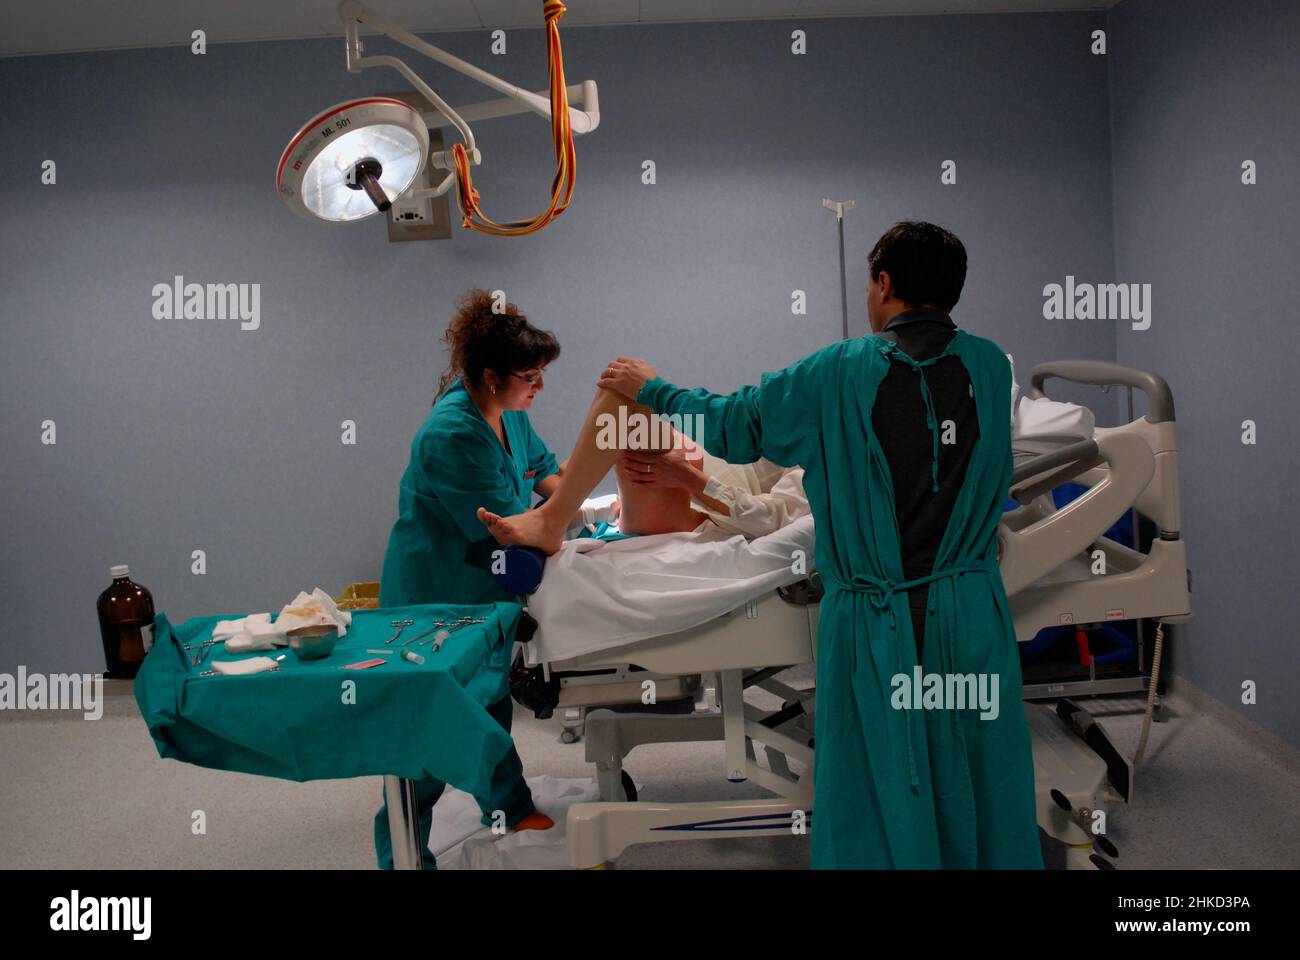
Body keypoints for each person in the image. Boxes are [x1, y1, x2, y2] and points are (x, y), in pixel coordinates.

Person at [480, 222, 1043, 869]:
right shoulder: (990, 370)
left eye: (869, 281)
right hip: (969, 610)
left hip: (878, 622)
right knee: (974, 765)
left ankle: (555, 518)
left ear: (884, 284)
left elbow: (736, 425)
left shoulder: (838, 373)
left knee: (878, 782)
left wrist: (651, 386)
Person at [373, 289, 561, 869]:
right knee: (429, 733)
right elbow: (504, 542)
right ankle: (400, 856)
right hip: (434, 597)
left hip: (484, 590)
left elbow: (546, 475)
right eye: (530, 376)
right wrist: (553, 527)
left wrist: (594, 512)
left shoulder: (508, 414)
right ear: (489, 375)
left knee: (492, 701)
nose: (540, 386)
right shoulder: (451, 435)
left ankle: (505, 804)